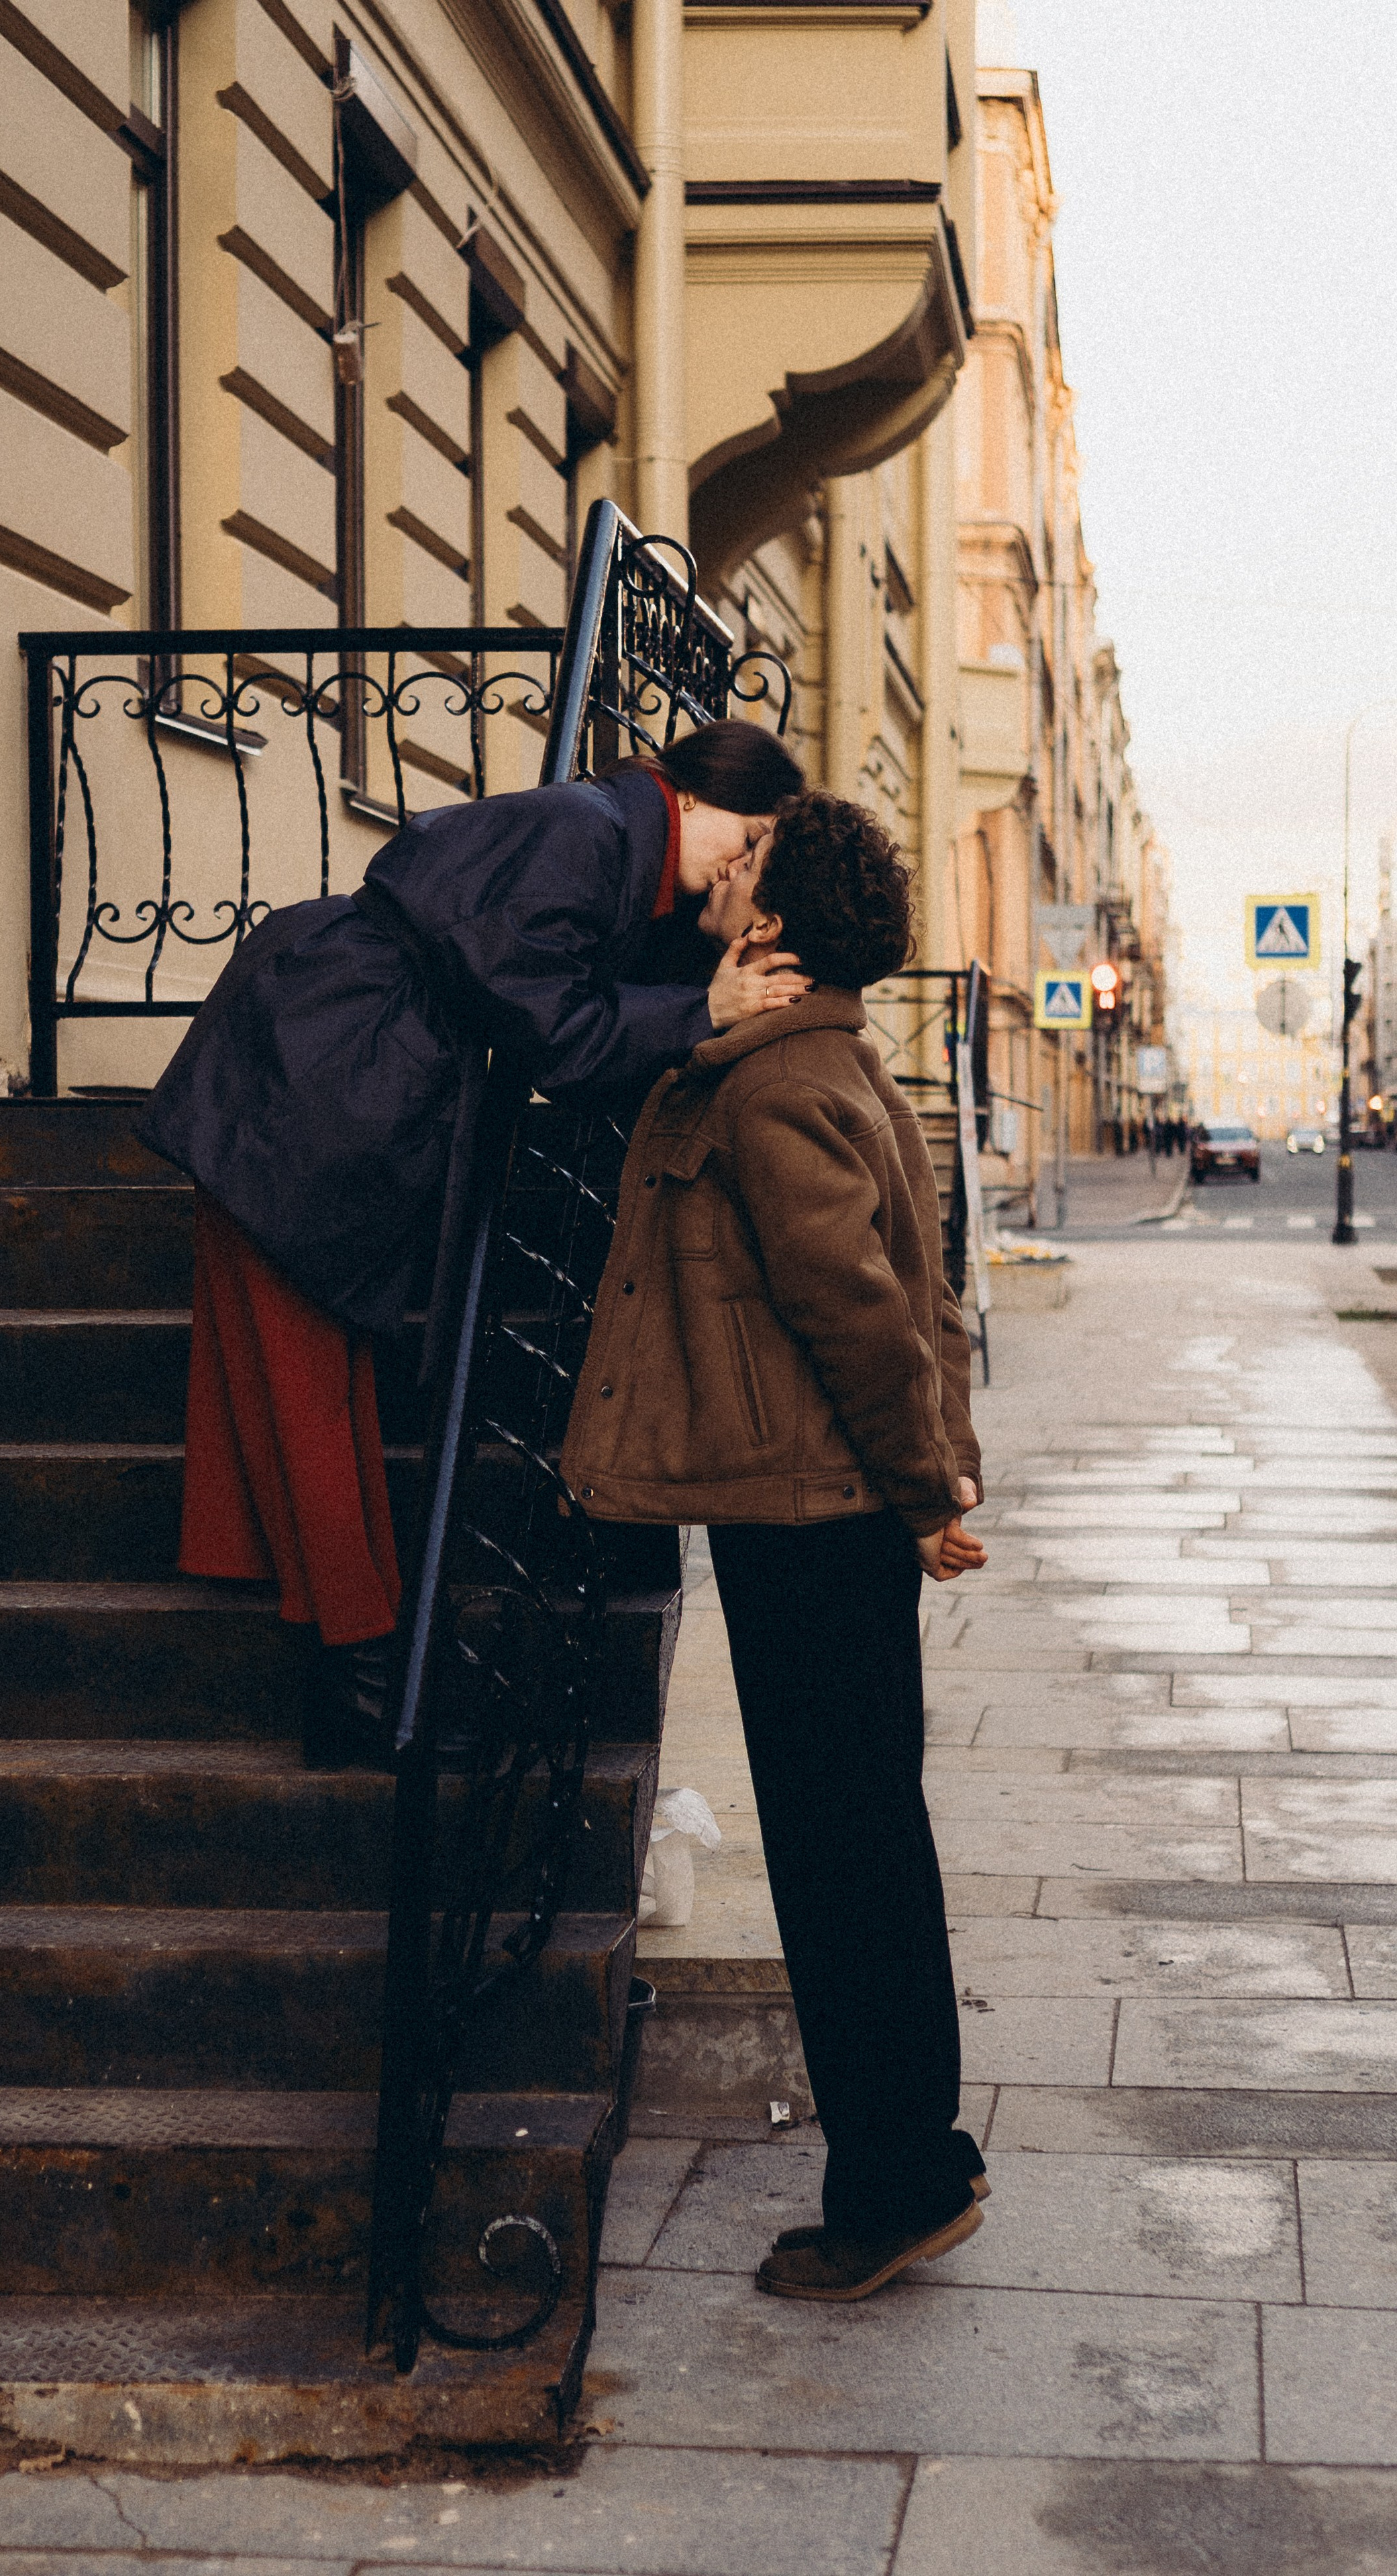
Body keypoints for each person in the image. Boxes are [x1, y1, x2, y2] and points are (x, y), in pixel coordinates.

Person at [140, 720, 807, 1764]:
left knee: (312, 1386)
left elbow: (568, 990)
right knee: (304, 1388)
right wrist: (701, 1007)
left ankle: (361, 1670)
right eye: (750, 835)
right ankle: (363, 1683)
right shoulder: (590, 833)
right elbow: (559, 1032)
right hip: (319, 1064)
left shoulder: (611, 844)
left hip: (334, 1056)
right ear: (692, 793)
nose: (742, 863)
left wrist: (709, 976)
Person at [561, 788, 990, 2301]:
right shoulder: (826, 1060)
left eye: (742, 863)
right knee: (868, 1832)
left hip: (808, 1516)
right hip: (821, 1509)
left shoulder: (771, 1088)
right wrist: (932, 1480)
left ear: (780, 919)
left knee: (838, 1853)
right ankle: (920, 2155)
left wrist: (928, 1491)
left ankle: (892, 2184)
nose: (716, 872)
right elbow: (920, 1294)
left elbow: (865, 1314)